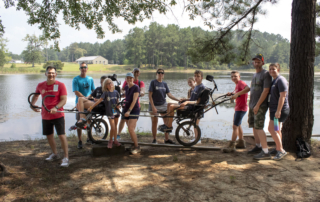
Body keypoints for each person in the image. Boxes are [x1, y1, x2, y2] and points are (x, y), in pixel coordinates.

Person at [30, 66, 69, 167]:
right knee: (49, 136)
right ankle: (55, 154)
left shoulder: (61, 85)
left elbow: (64, 100)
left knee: (61, 135)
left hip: (58, 114)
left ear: (56, 74)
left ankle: (66, 157)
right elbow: (35, 95)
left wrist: (56, 107)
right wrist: (32, 105)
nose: (51, 74)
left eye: (53, 73)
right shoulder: (41, 85)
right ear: (45, 74)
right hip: (45, 115)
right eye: (49, 73)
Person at [159, 70, 205, 142]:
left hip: (192, 107)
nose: (196, 78)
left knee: (171, 107)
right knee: (169, 104)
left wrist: (186, 102)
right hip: (189, 104)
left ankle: (169, 126)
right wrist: (185, 99)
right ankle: (168, 124)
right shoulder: (196, 86)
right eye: (195, 76)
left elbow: (198, 101)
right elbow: (192, 98)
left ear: (202, 78)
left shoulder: (201, 87)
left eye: (198, 76)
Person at [81, 78, 122, 149]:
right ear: (105, 86)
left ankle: (115, 140)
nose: (110, 84)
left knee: (115, 127)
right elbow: (98, 101)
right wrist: (91, 107)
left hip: (116, 112)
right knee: (112, 127)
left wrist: (119, 105)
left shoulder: (116, 92)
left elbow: (118, 102)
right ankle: (110, 141)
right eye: (108, 83)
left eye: (111, 83)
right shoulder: (105, 93)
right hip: (110, 112)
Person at [247, 54, 272, 160]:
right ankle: (258, 146)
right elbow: (251, 89)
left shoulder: (266, 74)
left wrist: (257, 105)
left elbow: (266, 91)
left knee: (259, 127)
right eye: (255, 62)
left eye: (258, 62)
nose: (256, 63)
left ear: (263, 63)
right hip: (252, 105)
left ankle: (266, 152)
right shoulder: (254, 75)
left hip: (260, 106)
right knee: (254, 126)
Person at [149, 68, 181, 144]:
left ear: (164, 75)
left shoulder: (164, 84)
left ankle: (166, 139)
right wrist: (153, 107)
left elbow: (169, 95)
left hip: (163, 104)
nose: (160, 74)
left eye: (162, 73)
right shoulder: (153, 82)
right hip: (154, 105)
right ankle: (154, 139)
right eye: (159, 72)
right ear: (156, 74)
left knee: (167, 122)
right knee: (154, 122)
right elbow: (150, 96)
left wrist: (178, 100)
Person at [222, 70, 249, 153]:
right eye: (232, 76)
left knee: (235, 127)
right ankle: (241, 142)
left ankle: (232, 146)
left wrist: (236, 95)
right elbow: (238, 92)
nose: (234, 78)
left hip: (241, 108)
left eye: (235, 76)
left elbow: (248, 88)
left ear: (239, 77)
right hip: (238, 107)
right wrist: (232, 93)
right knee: (239, 125)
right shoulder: (237, 85)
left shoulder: (241, 83)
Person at [268, 63, 289, 160]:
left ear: (278, 70)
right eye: (270, 69)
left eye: (274, 69)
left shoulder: (281, 80)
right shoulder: (274, 81)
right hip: (274, 110)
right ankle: (278, 148)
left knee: (271, 129)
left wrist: (278, 111)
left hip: (278, 110)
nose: (272, 71)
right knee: (276, 129)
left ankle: (281, 151)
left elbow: (283, 96)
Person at [117, 68, 145, 140]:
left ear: (139, 74)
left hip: (135, 105)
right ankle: (118, 134)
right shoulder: (127, 82)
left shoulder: (140, 83)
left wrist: (140, 93)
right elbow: (123, 90)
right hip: (126, 104)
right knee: (123, 119)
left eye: (137, 72)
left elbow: (142, 91)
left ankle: (132, 136)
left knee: (132, 123)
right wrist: (122, 93)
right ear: (132, 72)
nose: (136, 73)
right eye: (134, 72)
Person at [72, 62, 95, 149]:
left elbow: (93, 91)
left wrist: (89, 98)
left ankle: (89, 138)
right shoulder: (76, 79)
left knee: (89, 120)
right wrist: (84, 98)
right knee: (79, 122)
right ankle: (80, 140)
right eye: (82, 67)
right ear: (80, 69)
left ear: (87, 68)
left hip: (88, 102)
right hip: (79, 103)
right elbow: (76, 92)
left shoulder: (90, 79)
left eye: (85, 67)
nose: (83, 69)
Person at [122, 72, 141, 154]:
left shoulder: (136, 87)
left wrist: (129, 111)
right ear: (126, 79)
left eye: (131, 78)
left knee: (130, 128)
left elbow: (134, 100)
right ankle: (133, 144)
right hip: (126, 109)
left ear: (133, 79)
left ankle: (137, 147)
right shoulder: (126, 87)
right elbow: (126, 96)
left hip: (134, 109)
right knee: (130, 129)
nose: (129, 79)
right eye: (127, 78)